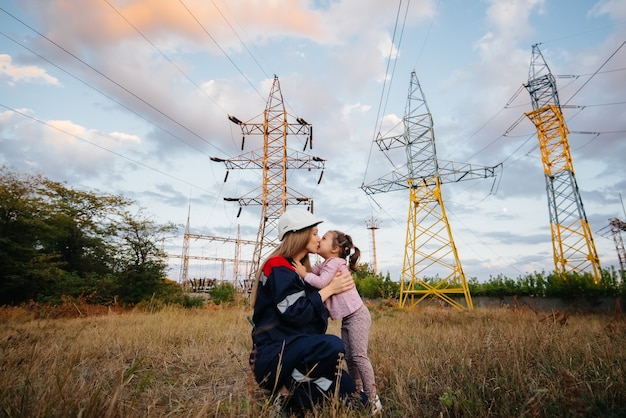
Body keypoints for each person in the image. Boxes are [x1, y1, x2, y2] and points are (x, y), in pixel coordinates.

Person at [249, 208, 367, 414]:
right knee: (333, 345)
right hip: (275, 354)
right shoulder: (277, 266)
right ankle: (286, 394)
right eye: (314, 233)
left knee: (359, 401)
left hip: (301, 354)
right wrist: (330, 289)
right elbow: (294, 312)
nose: (318, 239)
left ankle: (301, 392)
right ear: (299, 235)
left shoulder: (305, 273)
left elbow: (315, 318)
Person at [294, 230, 382, 414]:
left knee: (359, 356)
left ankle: (373, 398)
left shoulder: (335, 263)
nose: (320, 240)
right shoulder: (327, 263)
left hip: (357, 315)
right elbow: (313, 277)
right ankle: (359, 393)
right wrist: (303, 270)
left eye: (324, 238)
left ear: (335, 249)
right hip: (348, 318)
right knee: (349, 358)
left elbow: (320, 282)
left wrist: (302, 273)